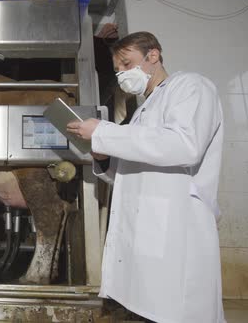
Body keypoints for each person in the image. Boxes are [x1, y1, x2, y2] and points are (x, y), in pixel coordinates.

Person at [66, 31, 225, 323]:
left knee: (180, 308)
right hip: (149, 227)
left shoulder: (190, 86)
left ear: (153, 56)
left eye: (127, 64)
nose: (123, 74)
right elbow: (131, 174)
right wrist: (105, 158)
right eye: (118, 70)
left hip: (178, 225)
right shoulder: (142, 111)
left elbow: (185, 145)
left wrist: (104, 132)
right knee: (151, 307)